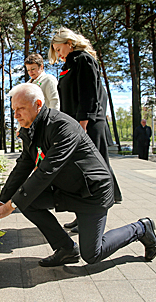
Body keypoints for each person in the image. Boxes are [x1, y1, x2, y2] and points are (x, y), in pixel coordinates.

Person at [0, 83, 156, 270]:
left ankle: (141, 228)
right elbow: (23, 165)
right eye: (14, 109)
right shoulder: (30, 128)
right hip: (66, 188)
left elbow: (47, 171)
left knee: (92, 254)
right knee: (27, 200)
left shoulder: (62, 126)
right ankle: (65, 249)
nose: (16, 115)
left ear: (38, 104)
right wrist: (2, 202)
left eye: (21, 109)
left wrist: (11, 206)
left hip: (92, 191)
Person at [48, 26, 122, 208]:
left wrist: (82, 124)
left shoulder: (83, 59)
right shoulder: (70, 65)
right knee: (85, 167)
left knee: (93, 166)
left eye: (59, 49)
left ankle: (98, 207)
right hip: (78, 122)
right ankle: (86, 211)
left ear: (70, 44)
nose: (58, 54)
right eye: (55, 51)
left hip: (88, 122)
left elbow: (89, 94)